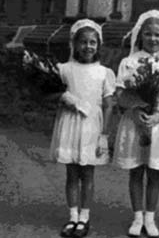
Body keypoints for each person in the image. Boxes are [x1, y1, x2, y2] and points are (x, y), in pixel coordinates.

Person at [113, 10, 159, 237]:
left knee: (154, 173)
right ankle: (137, 217)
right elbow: (121, 94)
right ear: (140, 36)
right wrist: (135, 110)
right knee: (136, 171)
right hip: (136, 121)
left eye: (158, 35)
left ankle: (150, 218)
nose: (153, 39)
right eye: (148, 34)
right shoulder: (129, 62)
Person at [47, 19, 115, 238]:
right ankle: (73, 217)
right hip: (70, 123)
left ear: (99, 45)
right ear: (74, 44)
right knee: (71, 173)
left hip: (91, 127)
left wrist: (104, 135)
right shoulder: (64, 69)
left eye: (93, 42)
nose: (88, 46)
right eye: (83, 42)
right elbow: (50, 93)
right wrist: (65, 97)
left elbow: (108, 105)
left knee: (87, 173)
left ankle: (84, 218)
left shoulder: (104, 72)